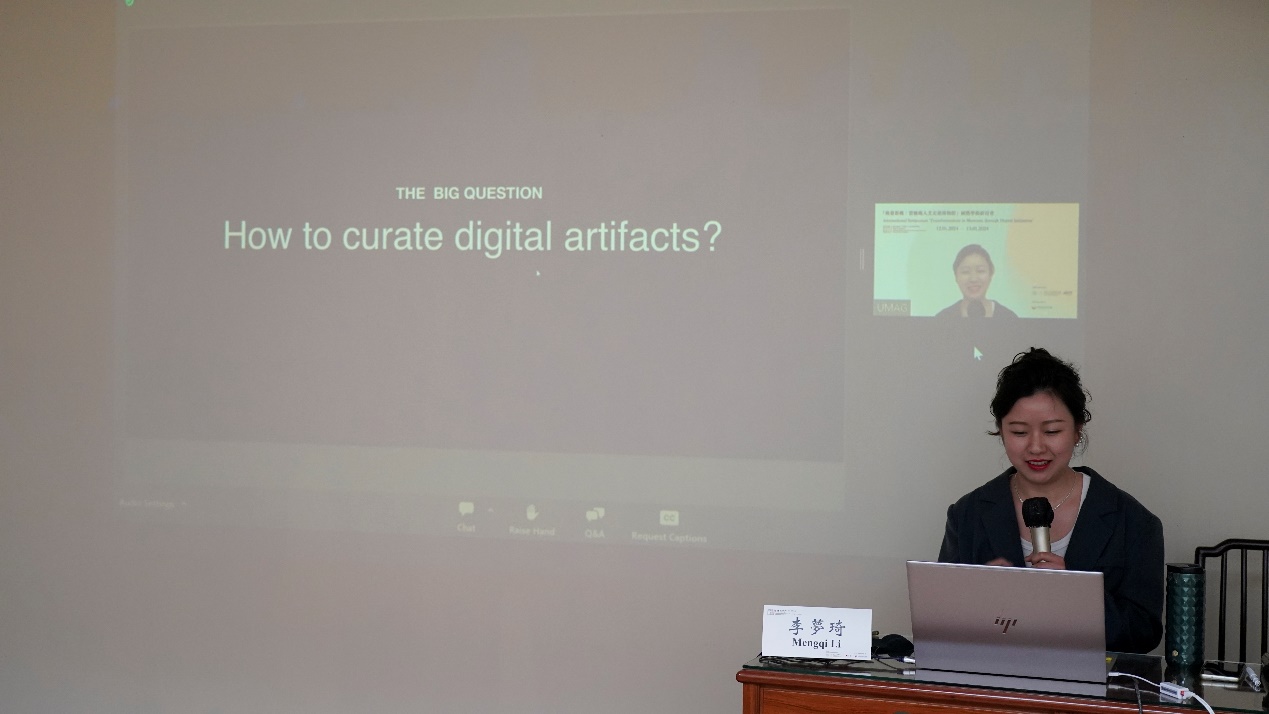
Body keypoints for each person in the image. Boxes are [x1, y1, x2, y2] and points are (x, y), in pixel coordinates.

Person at [938, 348, 1164, 654]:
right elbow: (943, 620)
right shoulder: (967, 515)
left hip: (1090, 683)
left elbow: (1143, 633)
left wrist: (1074, 598)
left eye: (1052, 431)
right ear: (1001, 432)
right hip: (992, 679)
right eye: (1019, 432)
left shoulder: (1134, 522)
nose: (1036, 447)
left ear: (1077, 431)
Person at [936, 244, 1018, 318]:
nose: (973, 279)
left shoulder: (1009, 318)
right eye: (965, 272)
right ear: (956, 276)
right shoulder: (942, 319)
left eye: (980, 271)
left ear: (991, 274)